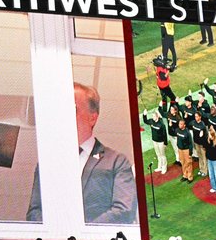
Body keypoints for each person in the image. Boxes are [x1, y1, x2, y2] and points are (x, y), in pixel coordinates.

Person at [26, 83, 137, 224]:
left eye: (71, 109)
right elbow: (34, 213)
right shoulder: (48, 163)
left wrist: (83, 233)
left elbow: (124, 211)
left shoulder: (116, 161)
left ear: (93, 118)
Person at [142, 108, 168, 174]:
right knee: (158, 154)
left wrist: (165, 143)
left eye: (154, 116)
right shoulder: (151, 121)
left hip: (161, 142)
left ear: (157, 116)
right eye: (152, 116)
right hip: (154, 141)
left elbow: (165, 134)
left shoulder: (161, 124)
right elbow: (145, 121)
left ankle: (164, 167)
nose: (153, 117)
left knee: (162, 155)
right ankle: (159, 167)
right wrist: (144, 114)